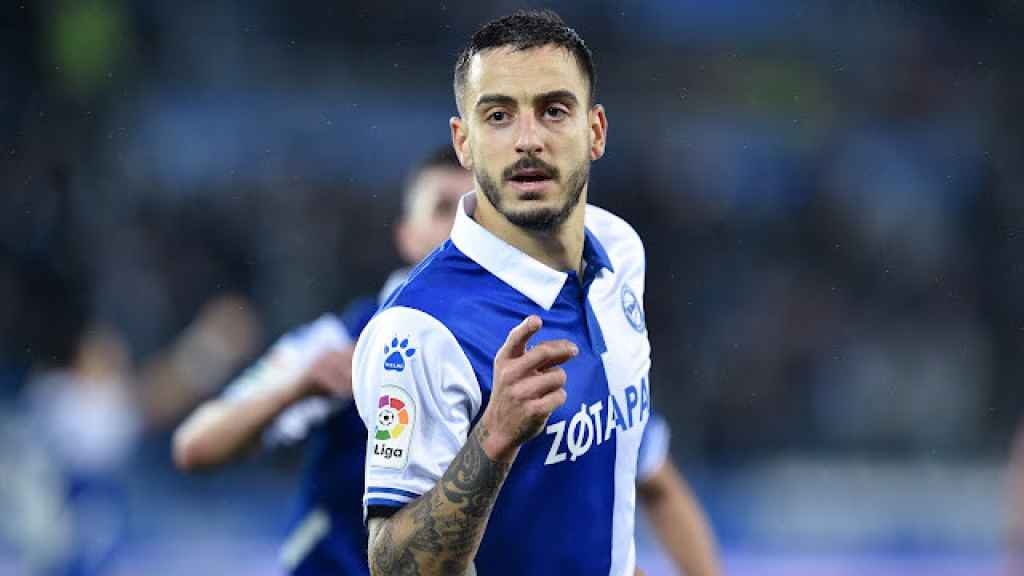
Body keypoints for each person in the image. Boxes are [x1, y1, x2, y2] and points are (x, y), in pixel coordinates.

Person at [352, 10, 716, 576]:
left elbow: (593, 519)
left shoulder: (620, 252)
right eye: (498, 116)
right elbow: (394, 568)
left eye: (553, 110)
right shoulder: (421, 330)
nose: (527, 140)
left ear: (594, 131)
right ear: (464, 142)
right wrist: (493, 438)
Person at [171, 147, 473, 575]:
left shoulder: (527, 342)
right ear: (407, 235)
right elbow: (194, 446)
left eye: (476, 210)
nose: (461, 226)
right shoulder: (346, 340)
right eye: (444, 208)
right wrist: (299, 387)